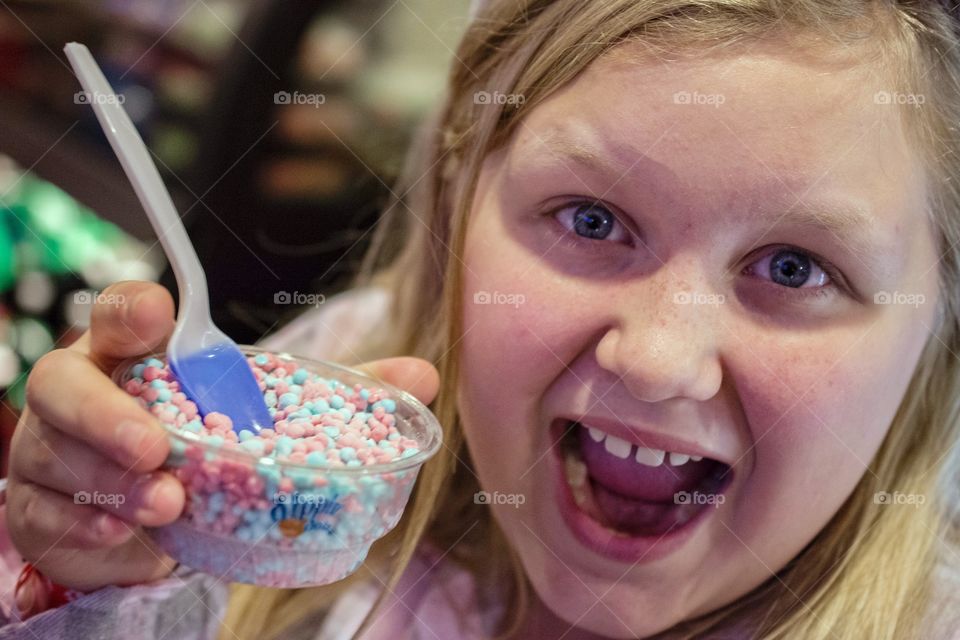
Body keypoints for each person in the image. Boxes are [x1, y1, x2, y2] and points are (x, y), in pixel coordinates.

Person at [4, 1, 960, 638]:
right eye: (593, 220)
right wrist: (98, 589)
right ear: (461, 195)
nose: (659, 360)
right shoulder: (341, 393)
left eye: (795, 268)